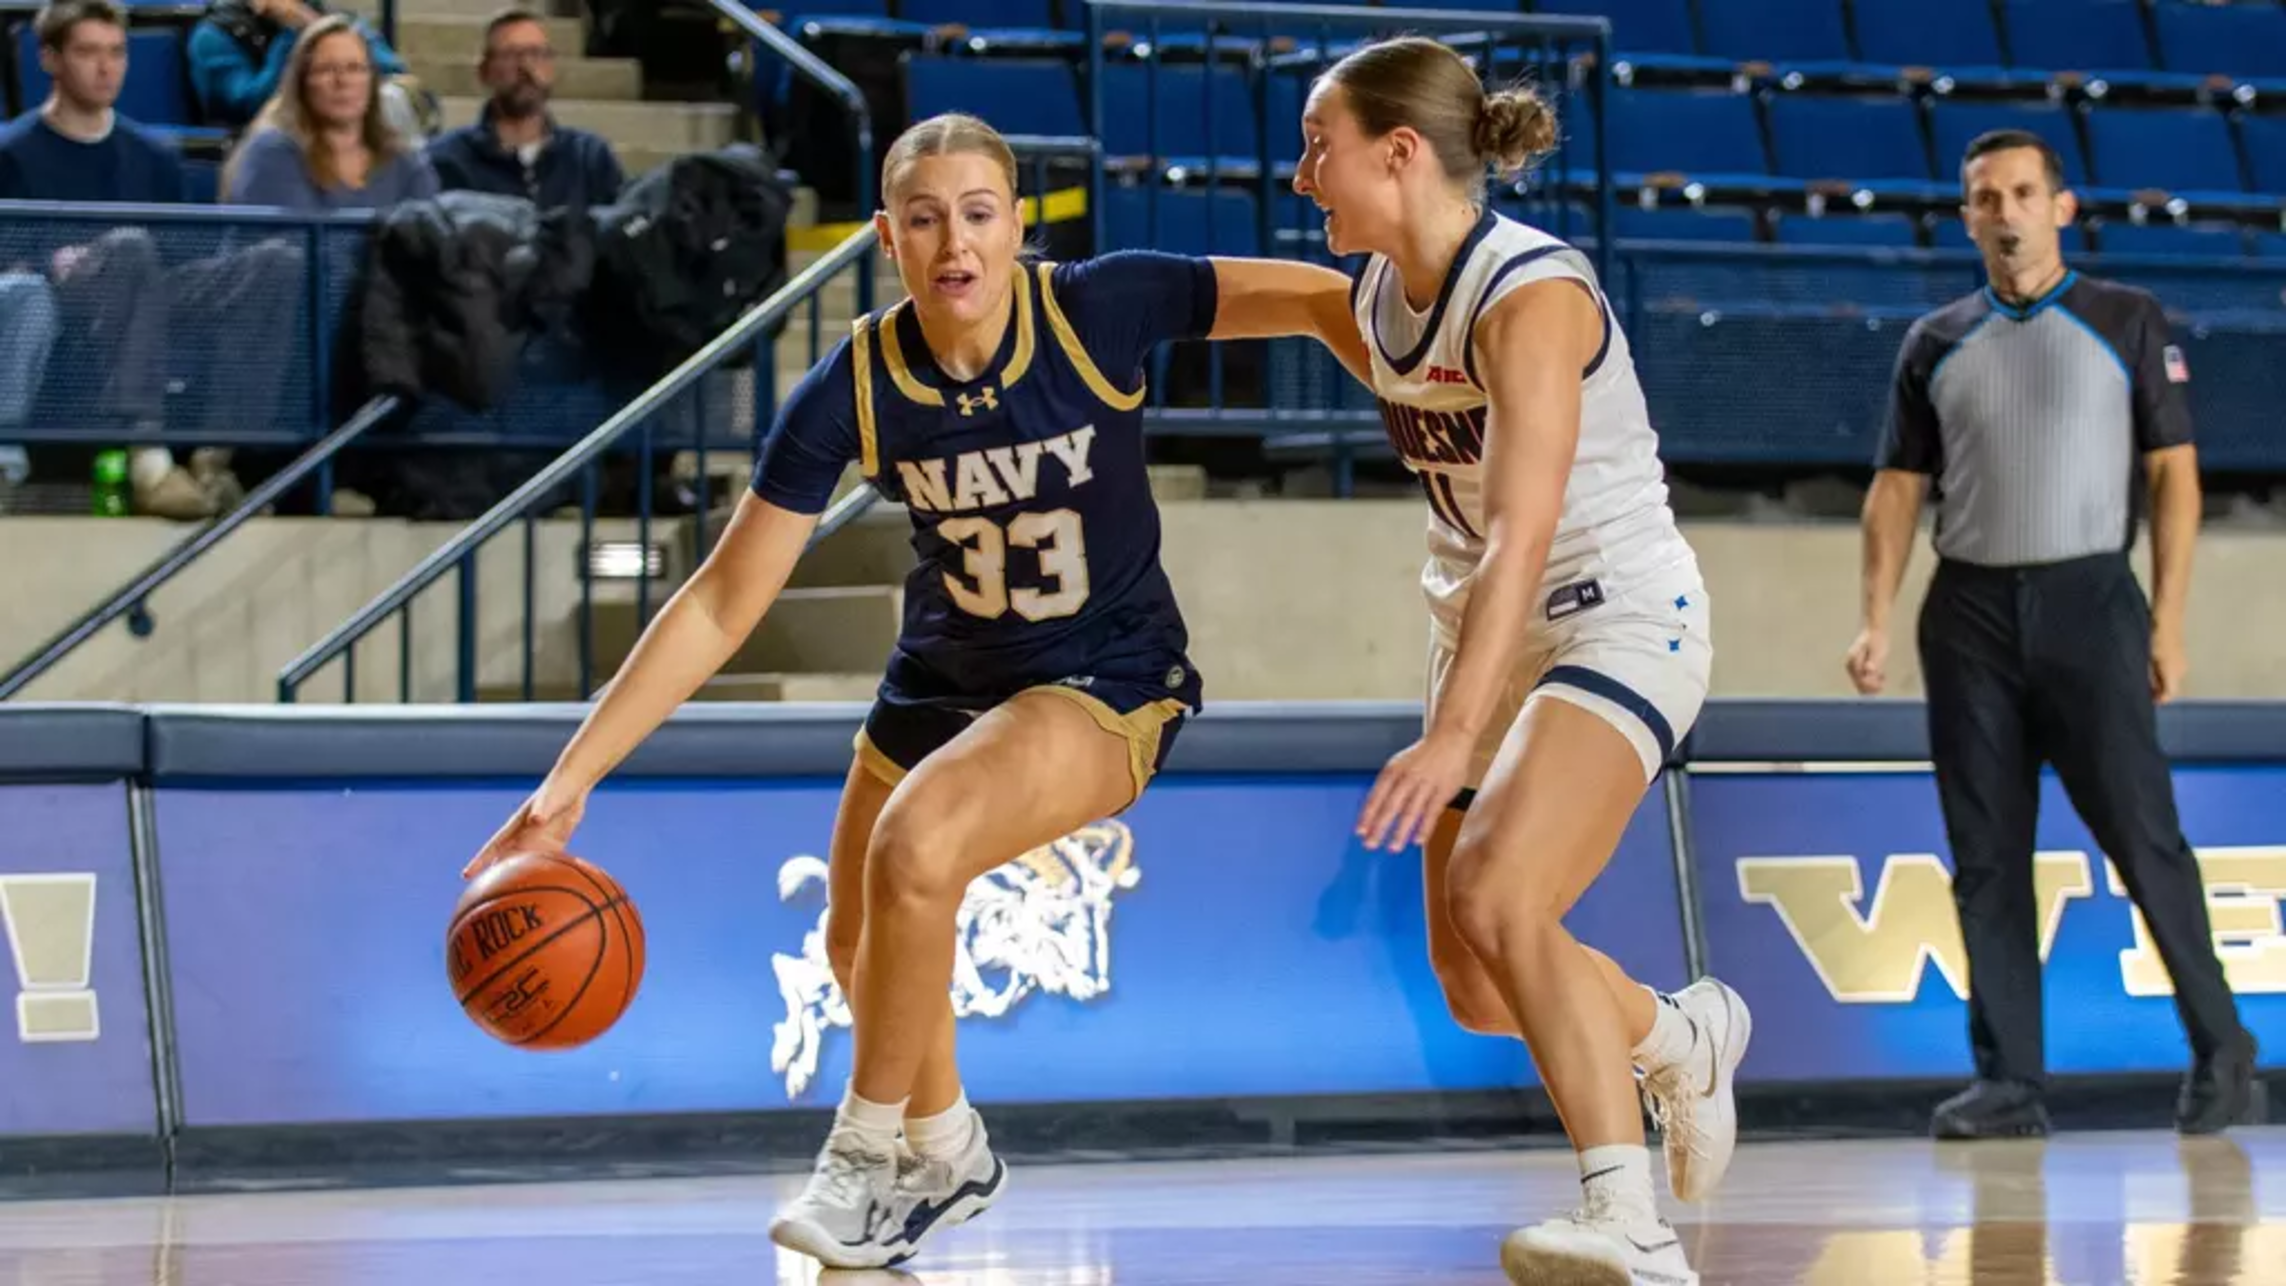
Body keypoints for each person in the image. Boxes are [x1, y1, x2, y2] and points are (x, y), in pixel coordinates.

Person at [463, 112, 1372, 1270]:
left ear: (1016, 224)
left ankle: (860, 1158)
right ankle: (948, 1145)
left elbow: (1318, 297)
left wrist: (1428, 389)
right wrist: (568, 781)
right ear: (889, 238)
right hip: (943, 675)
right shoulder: (857, 381)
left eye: (980, 213)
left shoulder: (1096, 307)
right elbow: (721, 602)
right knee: (857, 942)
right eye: (927, 218)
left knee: (916, 839)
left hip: (1106, 672)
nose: (957, 241)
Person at [1291, 36, 1749, 1286]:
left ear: (1399, 152)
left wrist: (1452, 736)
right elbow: (1230, 289)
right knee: (1478, 982)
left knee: (1500, 890)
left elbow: (1522, 529)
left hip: (1616, 615)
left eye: (1319, 147)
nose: (1301, 174)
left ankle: (1628, 1216)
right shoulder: (1373, 296)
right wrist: (1047, 297)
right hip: (1485, 634)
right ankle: (1677, 1033)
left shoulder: (1530, 293)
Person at [1847, 128, 2255, 1140]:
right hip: (1970, 612)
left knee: (2143, 835)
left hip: (2091, 600)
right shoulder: (1934, 340)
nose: (2008, 212)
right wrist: (1874, 619)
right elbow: (1896, 490)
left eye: (2025, 192)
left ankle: (2222, 1047)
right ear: (1967, 217)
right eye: (1987, 197)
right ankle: (2010, 1082)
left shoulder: (2125, 318)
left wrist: (2167, 622)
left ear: (2062, 208)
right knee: (1985, 853)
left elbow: (2174, 477)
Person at [220, 14, 439, 210]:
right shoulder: (271, 153)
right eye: (325, 69)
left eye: (354, 68)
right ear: (302, 82)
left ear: (372, 81)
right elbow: (286, 240)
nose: (342, 81)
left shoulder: (404, 161)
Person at [425, 6, 624, 209]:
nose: (526, 67)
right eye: (511, 55)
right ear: (485, 71)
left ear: (552, 67)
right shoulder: (447, 160)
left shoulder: (588, 157)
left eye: (537, 54)